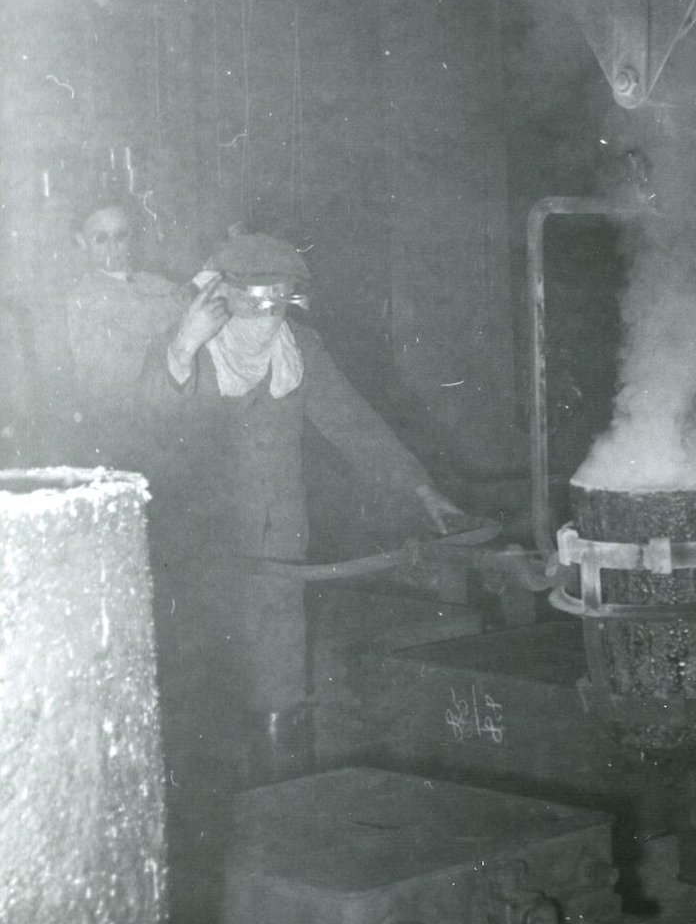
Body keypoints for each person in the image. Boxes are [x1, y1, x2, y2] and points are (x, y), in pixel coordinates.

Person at [142, 230, 463, 787]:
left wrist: (418, 489)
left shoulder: (299, 349)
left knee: (280, 675)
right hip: (202, 553)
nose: (268, 312)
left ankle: (283, 800)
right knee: (203, 681)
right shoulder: (185, 346)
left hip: (280, 548)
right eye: (255, 297)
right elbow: (147, 426)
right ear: (219, 294)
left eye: (281, 296)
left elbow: (355, 424)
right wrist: (182, 347)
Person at [66, 198, 185, 469]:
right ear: (82, 241)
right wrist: (191, 294)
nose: (112, 247)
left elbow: (176, 294)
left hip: (154, 419)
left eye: (121, 236)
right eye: (100, 238)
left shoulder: (145, 282)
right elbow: (150, 316)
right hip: (113, 429)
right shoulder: (86, 294)